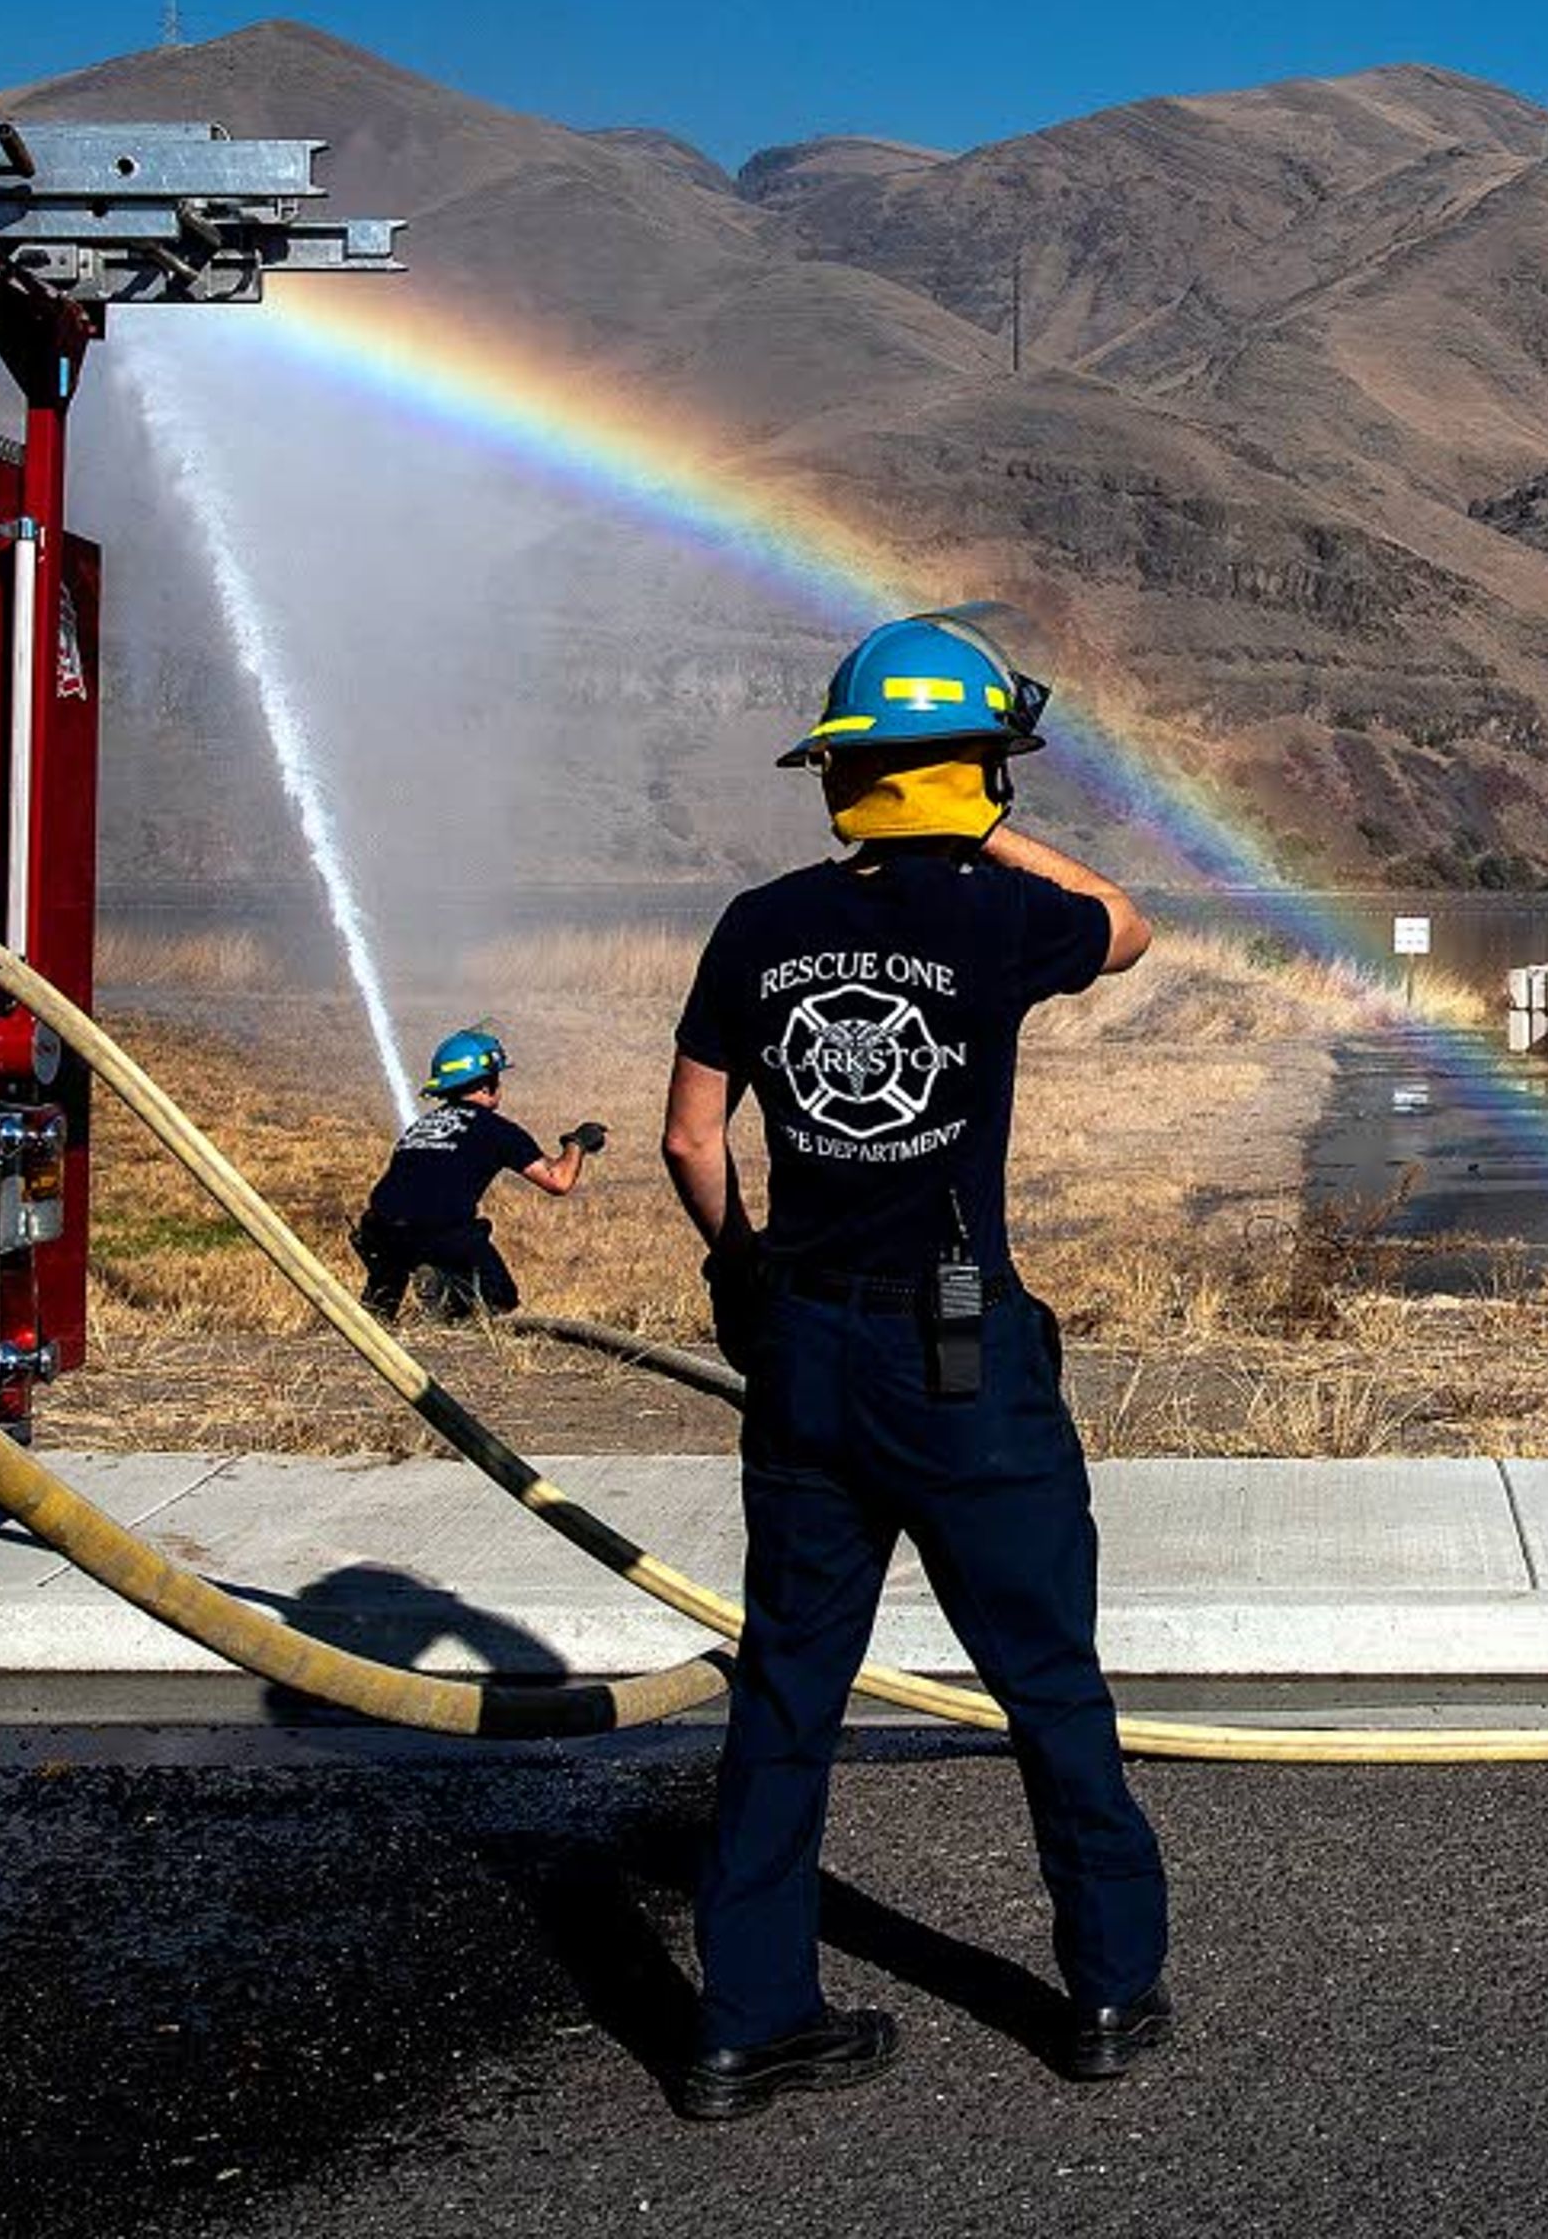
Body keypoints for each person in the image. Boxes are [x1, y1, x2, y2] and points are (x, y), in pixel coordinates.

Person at [658, 612, 1168, 2123]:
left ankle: (745, 2027)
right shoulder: (1001, 921)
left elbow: (694, 1136)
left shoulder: (757, 922)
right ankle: (1104, 1993)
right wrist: (998, 834)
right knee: (1046, 1680)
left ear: (843, 770)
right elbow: (1127, 923)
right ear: (981, 772)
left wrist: (744, 1273)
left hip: (805, 1340)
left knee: (787, 1689)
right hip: (959, 1354)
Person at [350, 1029, 603, 1322]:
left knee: (384, 1294)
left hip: (378, 1230)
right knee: (498, 1298)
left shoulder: (421, 1126)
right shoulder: (494, 1129)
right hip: (438, 1232)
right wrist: (578, 1142)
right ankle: (445, 1288)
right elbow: (558, 1180)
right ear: (486, 1085)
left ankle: (371, 1317)